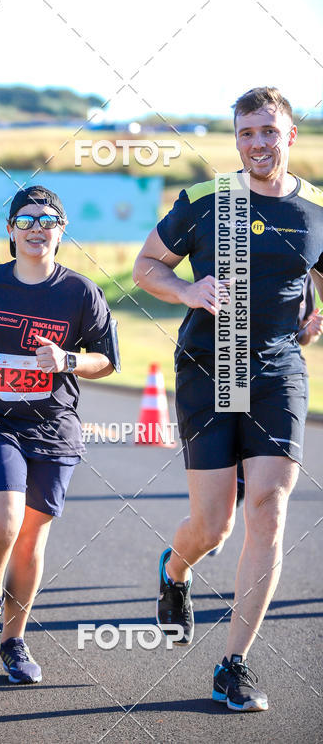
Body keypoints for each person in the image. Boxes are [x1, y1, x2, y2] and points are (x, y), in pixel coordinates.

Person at [133, 87, 323, 711]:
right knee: (214, 525)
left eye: (268, 131)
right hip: (209, 368)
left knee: (268, 506)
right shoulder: (206, 200)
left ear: (290, 135)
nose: (257, 143)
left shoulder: (316, 209)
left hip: (278, 371)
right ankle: (175, 569)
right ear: (236, 139)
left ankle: (233, 664)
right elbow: (146, 266)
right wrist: (189, 292)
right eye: (246, 133)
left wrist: (317, 315)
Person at [0, 185, 119, 684]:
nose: (36, 229)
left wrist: (67, 360)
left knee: (29, 541)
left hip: (52, 425)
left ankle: (14, 640)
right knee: (3, 524)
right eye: (25, 221)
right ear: (10, 230)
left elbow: (107, 360)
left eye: (47, 221)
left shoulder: (81, 292)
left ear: (61, 230)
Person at [208, 273, 320, 557]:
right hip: (235, 367)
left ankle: (234, 526)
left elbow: (300, 333)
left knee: (268, 481)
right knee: (233, 456)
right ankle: (214, 524)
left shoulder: (305, 269)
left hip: (282, 377)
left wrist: (309, 331)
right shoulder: (244, 257)